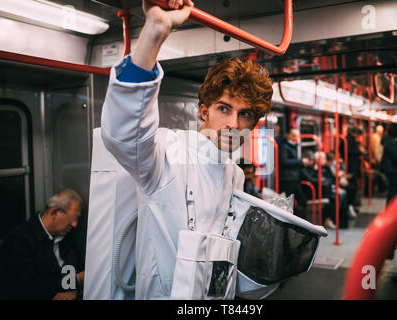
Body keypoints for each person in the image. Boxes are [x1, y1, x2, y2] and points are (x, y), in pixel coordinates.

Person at [100, 0, 274, 299]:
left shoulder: (233, 174)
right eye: (224, 108)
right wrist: (154, 32)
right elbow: (124, 134)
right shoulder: (169, 152)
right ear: (203, 111)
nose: (233, 123)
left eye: (245, 114)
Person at [1, 189, 84, 300]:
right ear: (54, 212)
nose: (75, 224)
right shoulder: (19, 239)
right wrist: (76, 280)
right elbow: (26, 286)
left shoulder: (65, 236)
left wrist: (71, 289)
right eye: (73, 218)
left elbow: (72, 264)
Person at [278, 127, 309, 219]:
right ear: (287, 135)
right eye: (293, 135)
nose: (295, 137)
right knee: (294, 202)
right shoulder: (284, 146)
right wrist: (301, 161)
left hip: (294, 178)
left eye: (296, 136)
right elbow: (284, 161)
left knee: (299, 201)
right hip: (288, 179)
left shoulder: (293, 146)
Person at [381, 123, 397, 204]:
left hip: (389, 168)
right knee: (393, 192)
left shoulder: (387, 141)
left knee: (392, 191)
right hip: (392, 169)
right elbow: (395, 157)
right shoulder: (391, 142)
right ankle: (390, 209)